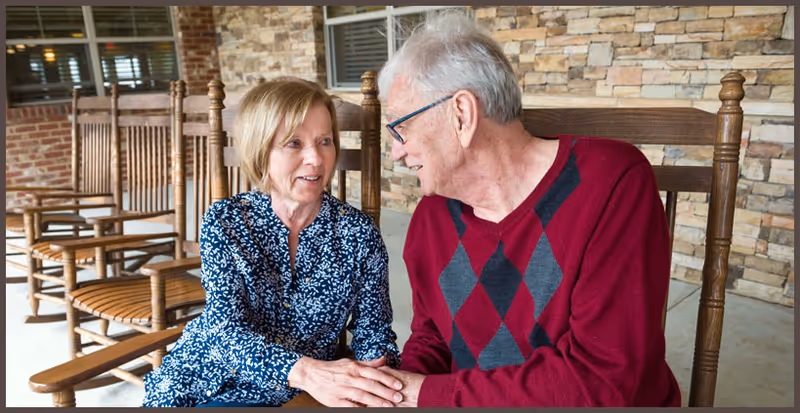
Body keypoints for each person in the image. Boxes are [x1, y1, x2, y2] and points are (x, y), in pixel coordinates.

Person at [372, 11, 681, 407]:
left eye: (401, 129)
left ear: (461, 115)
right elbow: (433, 338)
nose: (396, 152)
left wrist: (425, 393)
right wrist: (396, 388)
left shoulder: (612, 183)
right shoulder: (431, 220)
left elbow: (604, 383)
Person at [142, 77, 405, 407]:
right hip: (205, 377)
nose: (316, 159)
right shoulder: (226, 221)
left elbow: (374, 332)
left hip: (297, 398)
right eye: (294, 143)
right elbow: (225, 332)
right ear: (260, 149)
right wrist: (307, 372)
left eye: (325, 141)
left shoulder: (358, 234)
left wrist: (375, 380)